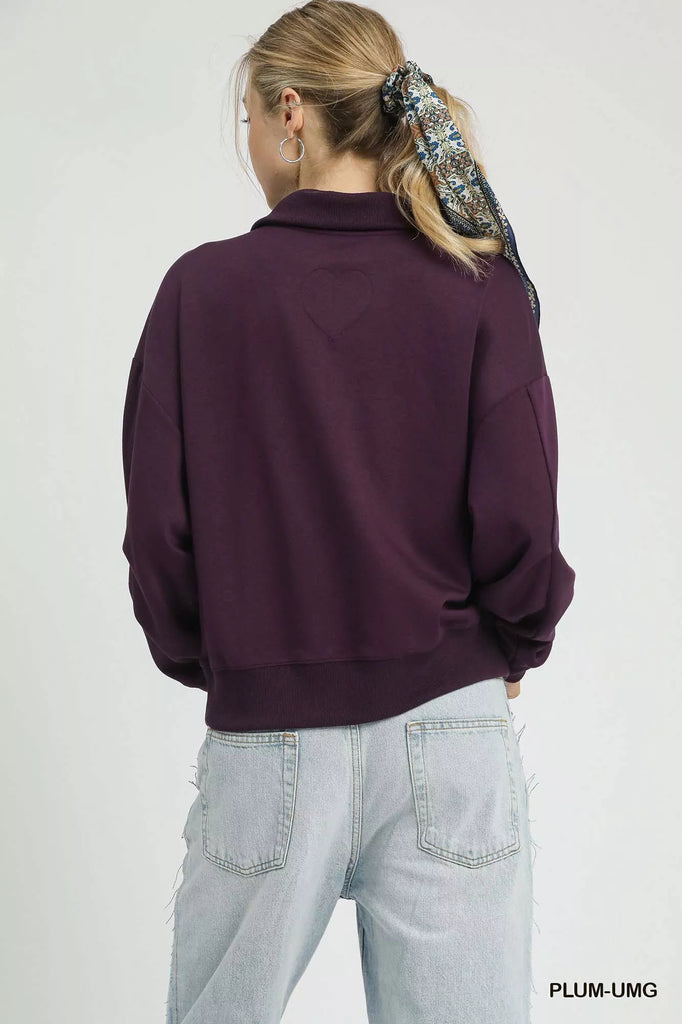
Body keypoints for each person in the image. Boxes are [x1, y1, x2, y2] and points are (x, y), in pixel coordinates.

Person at [120, 2, 576, 1021]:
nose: (249, 142)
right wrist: (515, 642)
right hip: (450, 730)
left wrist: (231, 657)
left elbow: (158, 537)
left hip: (267, 734)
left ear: (292, 112)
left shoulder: (201, 293)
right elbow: (523, 513)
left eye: (248, 118)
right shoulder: (479, 283)